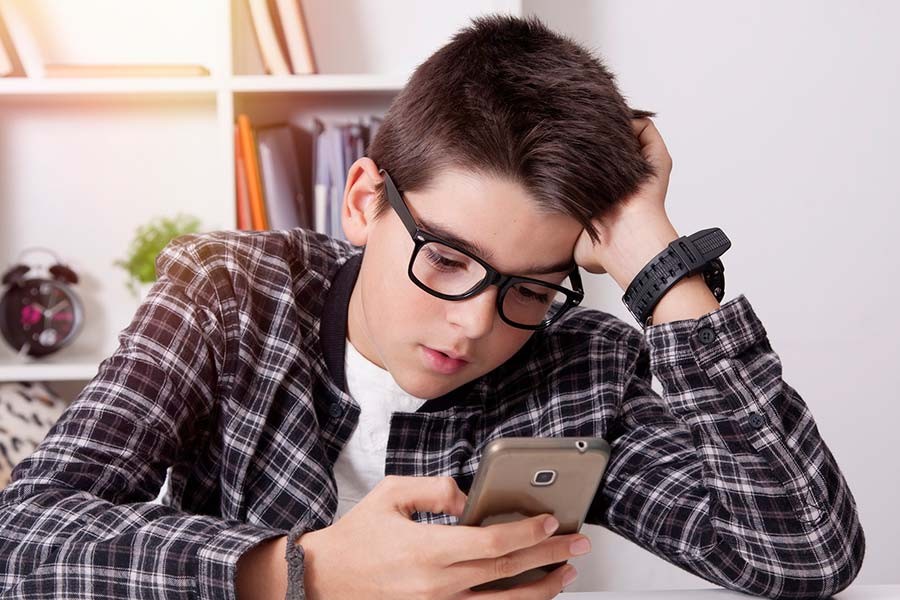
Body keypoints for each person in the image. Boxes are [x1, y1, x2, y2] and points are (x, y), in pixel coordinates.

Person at [0, 14, 864, 600]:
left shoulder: (584, 363)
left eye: (529, 286)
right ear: (364, 198)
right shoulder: (228, 291)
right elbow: (22, 540)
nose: (476, 324)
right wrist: (307, 572)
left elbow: (805, 558)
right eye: (447, 260)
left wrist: (658, 258)